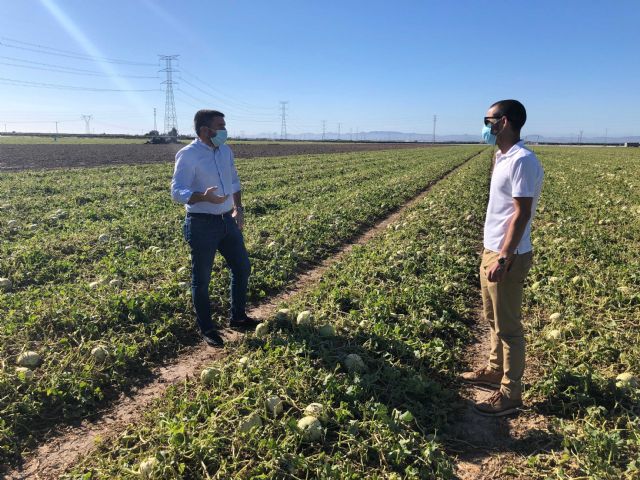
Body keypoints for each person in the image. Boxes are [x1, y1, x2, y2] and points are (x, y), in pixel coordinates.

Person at [460, 99, 544, 416]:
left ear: (503, 122)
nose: (485, 125)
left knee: (509, 328)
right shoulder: (502, 156)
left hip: (507, 254)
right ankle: (496, 370)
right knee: (493, 319)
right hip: (492, 249)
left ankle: (510, 394)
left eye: (488, 119)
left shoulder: (522, 160)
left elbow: (521, 214)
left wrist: (504, 257)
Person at [171, 109, 258, 347]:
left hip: (227, 221)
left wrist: (238, 209)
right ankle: (207, 329)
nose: (224, 130)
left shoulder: (225, 151)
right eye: (220, 126)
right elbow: (177, 192)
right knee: (202, 280)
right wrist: (202, 197)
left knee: (242, 267)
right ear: (205, 130)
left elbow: (234, 180)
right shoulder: (188, 155)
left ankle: (238, 317)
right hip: (201, 224)